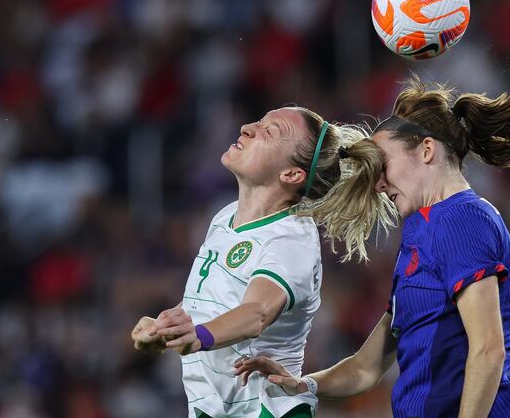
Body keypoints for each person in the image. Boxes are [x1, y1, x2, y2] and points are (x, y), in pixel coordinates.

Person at [235, 78, 510, 418]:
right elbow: (366, 368)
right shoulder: (422, 231)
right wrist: (303, 384)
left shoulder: (460, 219)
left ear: (427, 150)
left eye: (384, 166)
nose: (379, 183)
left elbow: (488, 350)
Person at [130, 106, 397, 418]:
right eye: (259, 121)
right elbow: (213, 302)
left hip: (265, 411)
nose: (246, 127)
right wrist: (164, 328)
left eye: (270, 131)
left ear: (292, 174)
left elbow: (257, 313)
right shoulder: (225, 216)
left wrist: (198, 336)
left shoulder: (291, 238)